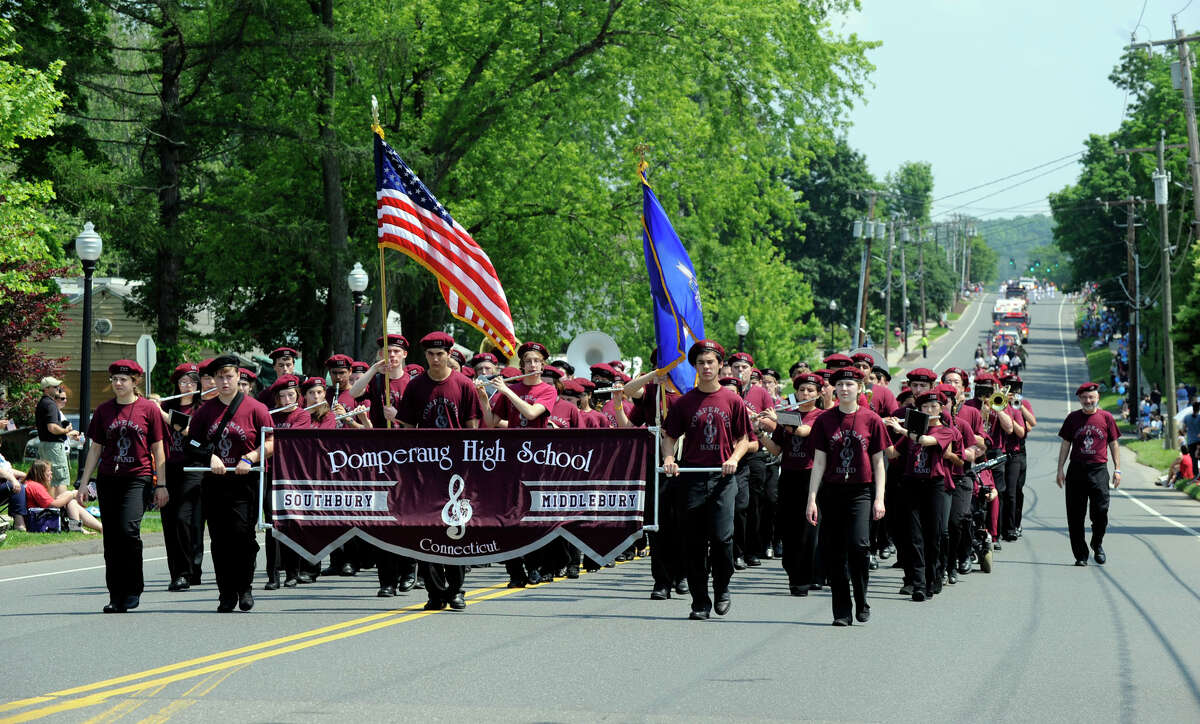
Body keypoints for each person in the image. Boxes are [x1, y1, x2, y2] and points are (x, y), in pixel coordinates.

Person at [661, 340, 750, 620]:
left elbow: (745, 439)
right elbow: (669, 436)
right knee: (694, 543)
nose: (706, 367)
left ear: (720, 365)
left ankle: (722, 586)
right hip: (692, 479)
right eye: (701, 363)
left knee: (723, 539)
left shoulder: (732, 400)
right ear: (695, 367)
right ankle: (700, 600)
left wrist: (734, 458)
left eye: (711, 362)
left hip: (723, 479)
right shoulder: (685, 402)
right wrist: (668, 459)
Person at [75, 360, 169, 613]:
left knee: (128, 531)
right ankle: (116, 594)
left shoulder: (148, 409)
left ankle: (133, 587)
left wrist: (162, 484)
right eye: (115, 379)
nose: (118, 384)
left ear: (135, 382)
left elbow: (158, 449)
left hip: (137, 478)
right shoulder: (104, 410)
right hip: (108, 479)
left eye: (124, 380)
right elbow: (95, 448)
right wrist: (84, 483)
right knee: (112, 538)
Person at [398, 332, 481, 609]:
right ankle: (435, 592)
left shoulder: (463, 385)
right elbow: (408, 430)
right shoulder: (415, 386)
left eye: (440, 354)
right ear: (425, 356)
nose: (435, 359)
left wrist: (471, 469)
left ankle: (456, 589)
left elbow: (471, 429)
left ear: (449, 354)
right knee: (427, 529)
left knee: (456, 529)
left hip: (457, 471)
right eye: (431, 354)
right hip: (425, 470)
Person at [188, 355, 273, 612]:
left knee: (242, 536)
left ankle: (244, 587)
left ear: (238, 377)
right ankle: (226, 593)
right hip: (215, 483)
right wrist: (209, 456)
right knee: (220, 539)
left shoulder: (256, 408)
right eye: (220, 377)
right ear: (213, 380)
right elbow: (192, 443)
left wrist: (250, 457)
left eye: (229, 376)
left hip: (245, 482)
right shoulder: (205, 411)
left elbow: (271, 442)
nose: (224, 382)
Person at [805, 366, 888, 626]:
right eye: (839, 385)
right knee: (834, 552)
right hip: (832, 491)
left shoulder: (871, 419)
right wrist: (812, 499)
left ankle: (862, 598)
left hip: (860, 492)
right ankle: (842, 610)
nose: (844, 389)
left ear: (860, 389)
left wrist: (879, 498)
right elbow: (819, 462)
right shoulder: (824, 421)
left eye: (850, 385)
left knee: (859, 547)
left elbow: (878, 464)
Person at [884, 392, 960, 601]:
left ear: (941, 409)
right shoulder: (909, 432)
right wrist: (879, 429)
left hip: (934, 486)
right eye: (925, 407)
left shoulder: (945, 430)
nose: (929, 410)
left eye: (934, 407)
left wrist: (902, 430)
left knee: (933, 536)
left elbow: (927, 441)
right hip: (911, 484)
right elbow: (892, 454)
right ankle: (918, 584)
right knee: (914, 536)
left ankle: (932, 578)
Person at [761, 372, 824, 596]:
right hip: (788, 474)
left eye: (810, 391)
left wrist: (778, 418)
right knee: (787, 529)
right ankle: (793, 572)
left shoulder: (821, 417)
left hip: (811, 477)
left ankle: (804, 579)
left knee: (807, 530)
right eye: (801, 390)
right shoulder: (788, 415)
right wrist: (760, 432)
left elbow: (804, 431)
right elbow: (777, 449)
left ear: (817, 395)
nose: (805, 393)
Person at [1056, 382, 1121, 566]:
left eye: (1091, 397)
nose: (1088, 400)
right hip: (1076, 469)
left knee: (1100, 511)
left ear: (1097, 398)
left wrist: (1117, 469)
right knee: (1075, 515)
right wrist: (1060, 469)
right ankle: (1081, 555)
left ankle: (1097, 543)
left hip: (1099, 470)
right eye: (1084, 398)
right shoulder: (1072, 418)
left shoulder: (1106, 418)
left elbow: (1114, 444)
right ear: (1079, 399)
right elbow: (1066, 444)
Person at [159, 363, 207, 591]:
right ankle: (178, 572)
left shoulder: (203, 408)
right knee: (170, 522)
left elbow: (190, 431)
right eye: (183, 382)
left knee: (184, 518)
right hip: (168, 468)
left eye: (192, 382)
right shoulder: (166, 405)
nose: (187, 386)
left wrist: (160, 413)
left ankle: (188, 571)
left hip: (194, 468)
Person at [20, 459, 102, 533]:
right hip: (41, 519)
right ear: (41, 473)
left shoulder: (30, 483)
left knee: (69, 496)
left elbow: (50, 502)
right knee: (71, 501)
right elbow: (53, 505)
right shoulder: (36, 486)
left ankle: (97, 527)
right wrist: (72, 495)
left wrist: (69, 495)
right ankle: (78, 527)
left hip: (39, 516)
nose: (51, 473)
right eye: (48, 471)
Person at [34, 375, 76, 497]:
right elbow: (52, 427)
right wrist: (65, 430)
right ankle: (61, 510)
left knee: (50, 478)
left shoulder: (42, 403)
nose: (58, 388)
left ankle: (52, 509)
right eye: (55, 386)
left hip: (45, 445)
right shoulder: (50, 404)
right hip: (54, 447)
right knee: (60, 479)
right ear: (47, 389)